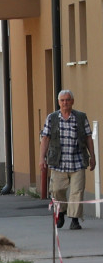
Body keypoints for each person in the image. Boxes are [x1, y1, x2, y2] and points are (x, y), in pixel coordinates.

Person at [40, 89, 96, 230]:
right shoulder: (52, 118)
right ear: (59, 102)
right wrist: (42, 158)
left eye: (68, 100)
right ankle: (62, 212)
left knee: (77, 192)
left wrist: (92, 156)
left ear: (72, 101)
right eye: (62, 100)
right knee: (57, 190)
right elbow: (45, 138)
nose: (65, 102)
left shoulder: (81, 117)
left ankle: (75, 219)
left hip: (77, 161)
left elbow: (88, 136)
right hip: (58, 162)